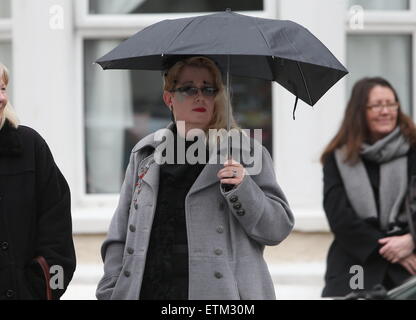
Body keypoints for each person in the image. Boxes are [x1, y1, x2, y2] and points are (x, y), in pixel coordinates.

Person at [96, 56, 294, 300]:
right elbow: (120, 234)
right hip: (150, 291)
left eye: (208, 89)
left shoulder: (246, 153)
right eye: (188, 89)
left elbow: (277, 229)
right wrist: (111, 290)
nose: (200, 96)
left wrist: (244, 187)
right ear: (169, 98)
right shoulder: (145, 153)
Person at [321, 77, 416, 297]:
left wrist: (411, 240)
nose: (385, 111)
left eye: (391, 104)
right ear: (359, 111)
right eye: (376, 105)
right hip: (355, 265)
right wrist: (390, 249)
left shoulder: (413, 150)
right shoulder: (338, 158)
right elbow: (339, 217)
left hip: (409, 264)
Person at [0, 63, 76, 300]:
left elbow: (59, 238)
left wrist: (42, 290)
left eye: (2, 88)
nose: (1, 98)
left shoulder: (30, 147)